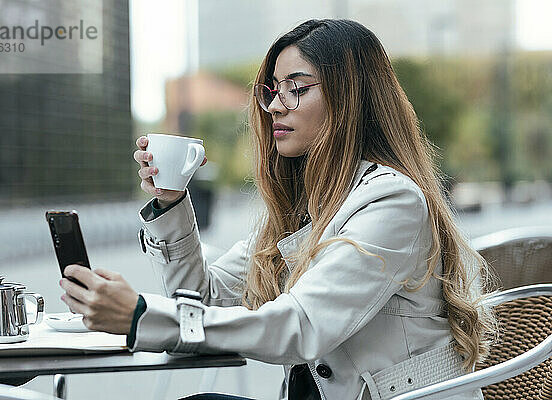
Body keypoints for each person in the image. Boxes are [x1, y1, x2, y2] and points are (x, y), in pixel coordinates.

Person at [59, 19, 496, 400]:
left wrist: (140, 317)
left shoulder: (392, 202)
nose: (272, 107)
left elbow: (301, 327)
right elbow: (204, 298)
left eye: (297, 89)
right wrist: (171, 201)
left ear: (350, 98)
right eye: (272, 91)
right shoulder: (308, 210)